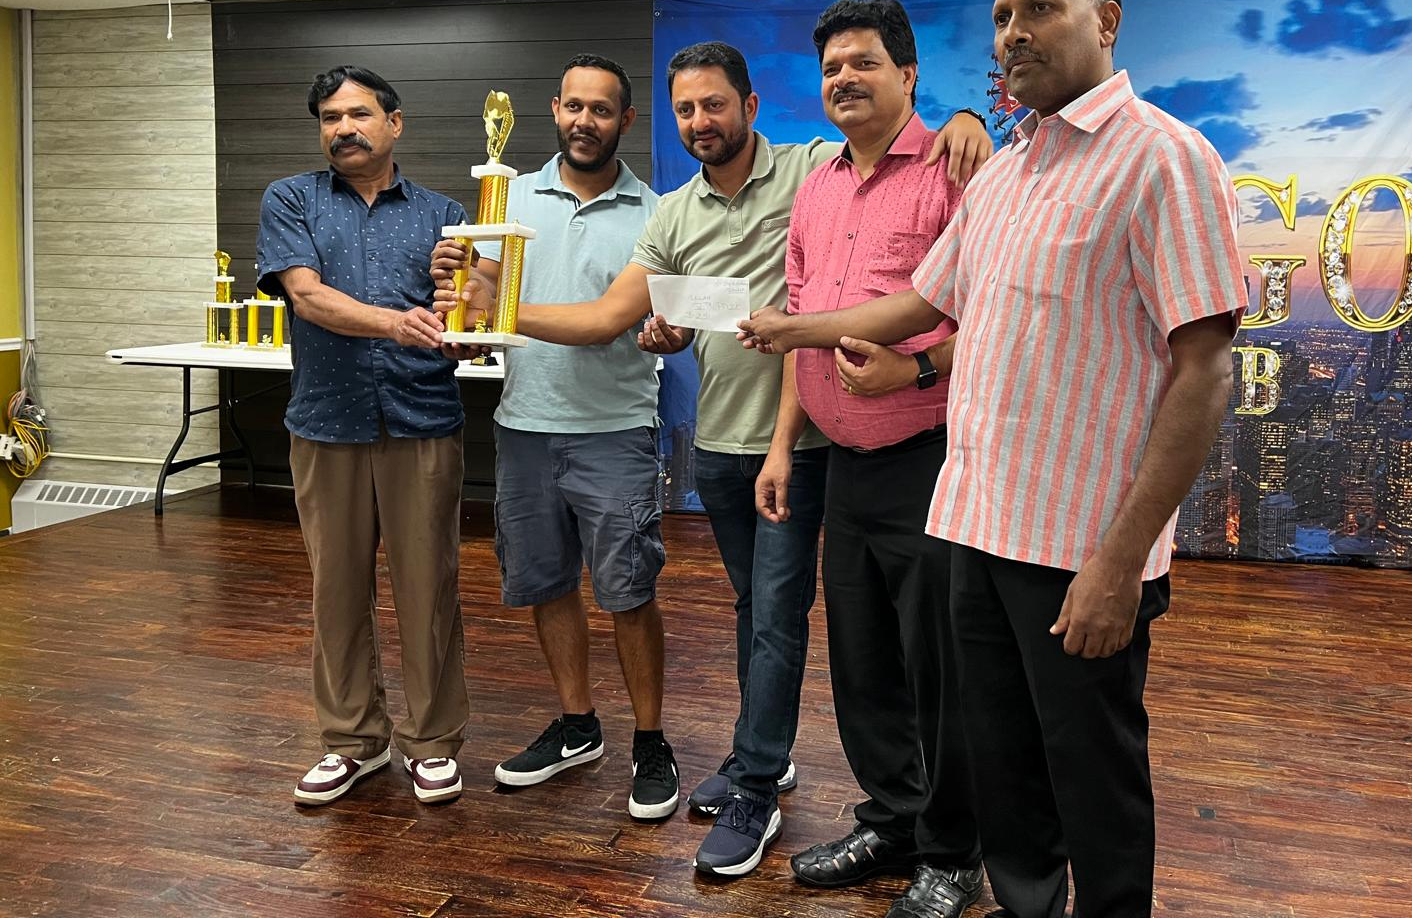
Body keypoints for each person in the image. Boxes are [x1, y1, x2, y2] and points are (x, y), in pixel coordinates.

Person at [739, 0, 1247, 918]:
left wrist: (1120, 562)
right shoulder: (1005, 176)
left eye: (1040, 10)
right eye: (1003, 18)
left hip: (1079, 550)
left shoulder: (1165, 159)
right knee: (1006, 773)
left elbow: (1204, 372)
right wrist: (795, 328)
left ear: (1106, 22)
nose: (1015, 33)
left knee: (1092, 777)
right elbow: (921, 303)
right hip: (972, 531)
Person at [432, 43, 990, 877]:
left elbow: (880, 138)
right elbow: (620, 318)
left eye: (715, 105)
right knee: (753, 609)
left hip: (798, 444)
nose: (701, 121)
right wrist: (662, 331)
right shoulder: (674, 213)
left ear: (751, 106)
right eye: (686, 109)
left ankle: (757, 783)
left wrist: (964, 120)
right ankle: (760, 751)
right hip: (720, 444)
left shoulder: (808, 170)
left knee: (777, 617)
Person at [432, 54, 680, 822]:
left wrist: (497, 308)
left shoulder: (657, 214)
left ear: (625, 120)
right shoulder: (507, 201)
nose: (585, 121)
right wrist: (459, 298)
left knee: (628, 593)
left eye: (601, 109)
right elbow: (475, 304)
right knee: (546, 586)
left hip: (615, 431)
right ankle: (578, 725)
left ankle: (650, 741)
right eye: (574, 106)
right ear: (554, 109)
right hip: (525, 429)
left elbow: (605, 321)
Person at [781, 0, 982, 918]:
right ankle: (894, 820)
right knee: (862, 663)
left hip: (931, 461)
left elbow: (999, 315)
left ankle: (954, 852)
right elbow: (800, 326)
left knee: (938, 668)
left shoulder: (953, 169)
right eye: (831, 68)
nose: (844, 80)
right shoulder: (818, 186)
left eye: (863, 62)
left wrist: (917, 367)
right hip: (843, 465)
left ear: (907, 74)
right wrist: (783, 444)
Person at [257, 65, 470, 808]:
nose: (343, 129)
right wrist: (395, 323)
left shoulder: (446, 213)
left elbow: (461, 311)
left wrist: (466, 322)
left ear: (394, 123)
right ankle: (353, 740)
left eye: (358, 114)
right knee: (336, 590)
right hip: (327, 423)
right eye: (329, 118)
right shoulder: (291, 199)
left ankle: (433, 741)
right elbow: (306, 295)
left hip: (422, 421)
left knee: (428, 588)